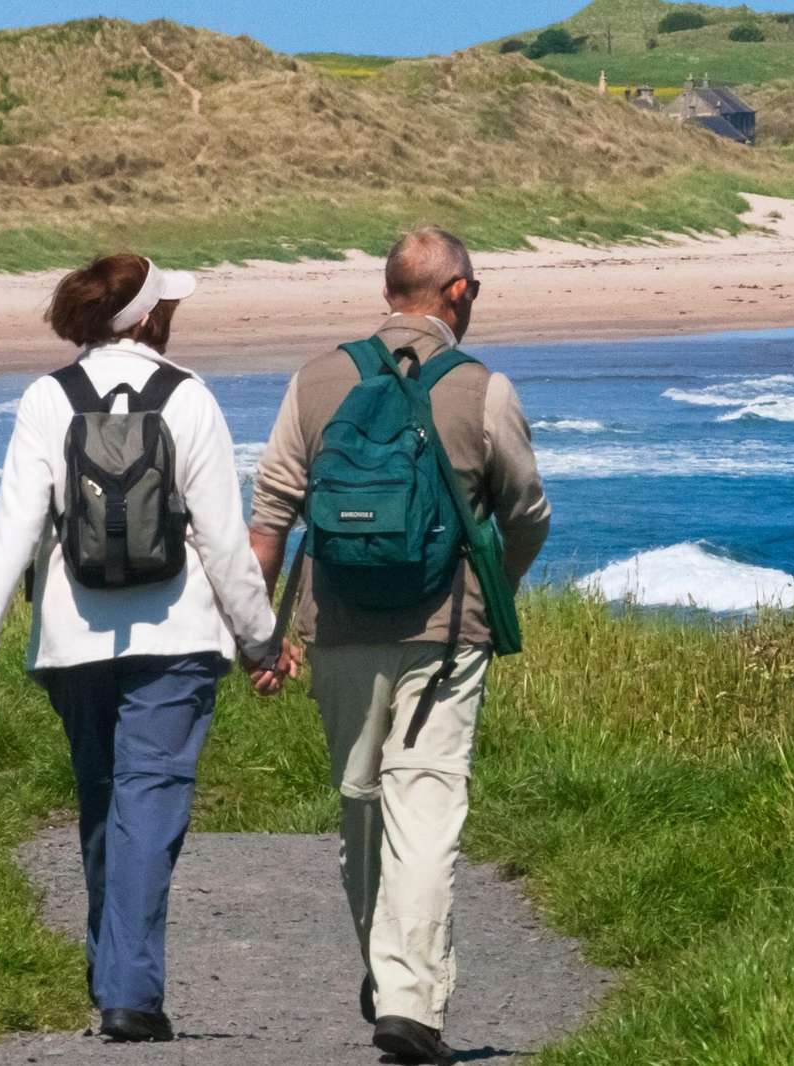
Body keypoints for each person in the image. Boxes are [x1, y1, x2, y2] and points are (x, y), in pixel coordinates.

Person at [0, 254, 282, 1044]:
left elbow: (17, 524)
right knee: (149, 802)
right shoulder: (190, 397)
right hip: (177, 637)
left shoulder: (47, 398)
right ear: (147, 320)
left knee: (105, 803)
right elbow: (223, 539)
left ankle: (112, 978)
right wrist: (261, 640)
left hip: (73, 639)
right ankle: (129, 992)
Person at [246, 227, 550, 1065]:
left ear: (388, 293)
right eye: (474, 289)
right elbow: (527, 512)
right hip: (446, 635)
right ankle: (409, 998)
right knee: (427, 804)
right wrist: (492, 592)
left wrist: (261, 633)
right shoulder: (480, 389)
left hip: (335, 626)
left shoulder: (315, 379)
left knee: (361, 803)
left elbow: (271, 514)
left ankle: (389, 983)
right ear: (457, 295)